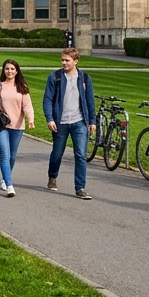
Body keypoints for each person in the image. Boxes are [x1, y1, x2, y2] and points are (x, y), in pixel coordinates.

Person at [44, 48, 98, 199]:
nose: (64, 63)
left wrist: (92, 121)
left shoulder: (85, 78)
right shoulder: (55, 77)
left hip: (79, 122)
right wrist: (50, 118)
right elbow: (48, 99)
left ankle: (80, 187)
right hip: (60, 122)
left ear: (76, 61)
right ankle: (52, 176)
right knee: (57, 154)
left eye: (67, 60)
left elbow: (90, 101)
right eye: (62, 60)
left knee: (80, 155)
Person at [0, 58, 34, 197]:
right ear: (3, 70)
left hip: (17, 126)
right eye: (7, 69)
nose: (9, 71)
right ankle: (10, 185)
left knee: (12, 156)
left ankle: (5, 178)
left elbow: (27, 105)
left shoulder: (22, 86)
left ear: (17, 71)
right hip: (1, 125)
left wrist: (31, 119)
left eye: (12, 69)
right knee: (4, 154)